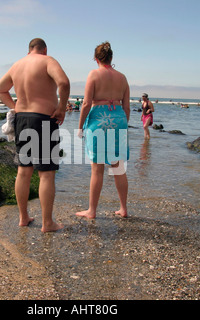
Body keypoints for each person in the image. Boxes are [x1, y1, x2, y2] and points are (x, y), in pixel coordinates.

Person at [0, 38, 70, 233]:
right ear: (44, 49)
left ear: (29, 50)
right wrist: (61, 108)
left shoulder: (17, 65)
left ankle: (23, 217)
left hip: (22, 119)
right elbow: (63, 82)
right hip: (44, 119)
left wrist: (15, 107)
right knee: (46, 174)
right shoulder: (47, 61)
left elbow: (0, 90)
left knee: (23, 170)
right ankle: (47, 223)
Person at [76, 41, 130, 220]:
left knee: (97, 169)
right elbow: (127, 107)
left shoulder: (94, 74)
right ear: (111, 57)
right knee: (118, 167)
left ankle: (92, 210)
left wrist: (80, 126)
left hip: (99, 119)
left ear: (95, 58)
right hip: (119, 119)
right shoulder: (122, 78)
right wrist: (123, 124)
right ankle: (123, 208)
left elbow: (85, 103)